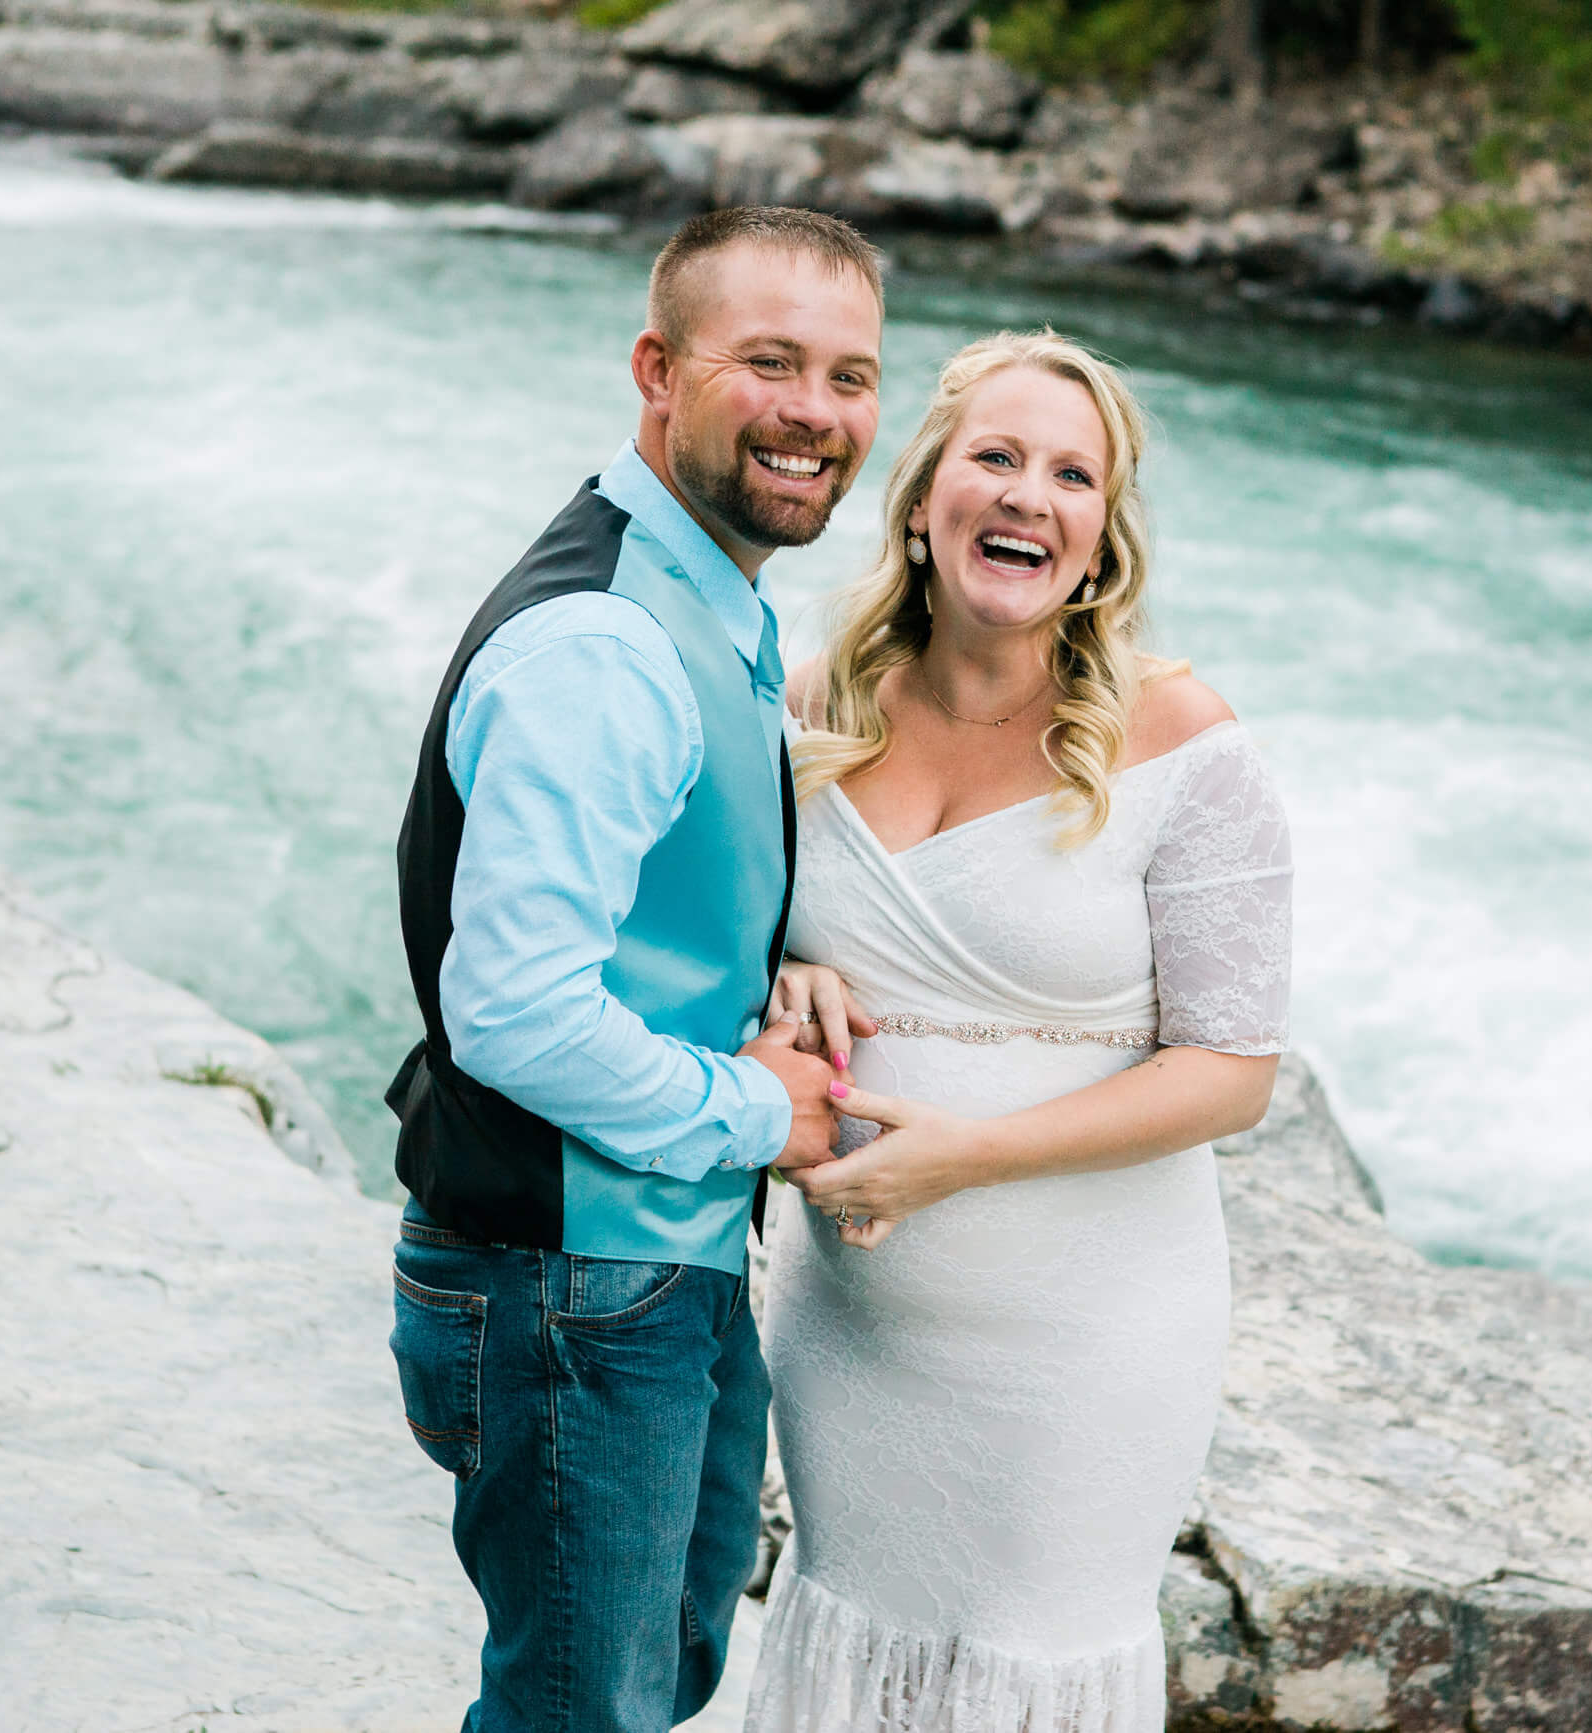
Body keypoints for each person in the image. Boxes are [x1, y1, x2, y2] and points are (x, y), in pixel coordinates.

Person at [382, 205, 888, 1733]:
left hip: (635, 1263)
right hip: (569, 1280)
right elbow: (514, 1009)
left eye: (853, 376)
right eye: (772, 363)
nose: (818, 412)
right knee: (580, 1710)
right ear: (658, 370)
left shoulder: (703, 585)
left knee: (642, 1678)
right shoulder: (605, 641)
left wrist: (773, 966)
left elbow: (655, 885)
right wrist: (760, 1110)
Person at [745, 331, 1295, 1730]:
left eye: (1072, 475)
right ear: (926, 495)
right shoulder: (811, 704)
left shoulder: (1182, 742)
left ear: (1102, 540)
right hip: (848, 1330)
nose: (1028, 495)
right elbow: (731, 945)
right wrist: (782, 979)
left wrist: (963, 1155)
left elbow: (1232, 1073)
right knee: (845, 1641)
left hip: (1083, 1344)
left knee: (1027, 1673)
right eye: (995, 456)